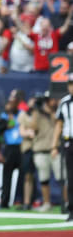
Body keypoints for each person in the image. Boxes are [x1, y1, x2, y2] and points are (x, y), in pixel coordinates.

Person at [31, 92, 64, 212]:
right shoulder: (37, 113)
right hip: (40, 149)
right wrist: (36, 111)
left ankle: (66, 203)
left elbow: (60, 124)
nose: (49, 103)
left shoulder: (59, 112)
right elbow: (33, 127)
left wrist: (50, 113)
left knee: (62, 178)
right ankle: (46, 203)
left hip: (56, 149)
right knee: (43, 179)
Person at [52, 74, 73, 222]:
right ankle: (71, 209)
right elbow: (59, 125)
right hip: (69, 142)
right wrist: (54, 145)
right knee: (70, 178)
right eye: (70, 84)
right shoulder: (64, 103)